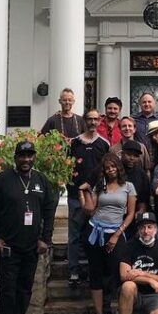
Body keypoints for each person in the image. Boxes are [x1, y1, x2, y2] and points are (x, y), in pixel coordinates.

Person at [0, 140, 58, 314]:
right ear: (15, 158)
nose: (26, 160)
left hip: (31, 247)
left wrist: (45, 238)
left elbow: (49, 211)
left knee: (25, 289)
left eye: (29, 156)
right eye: (22, 156)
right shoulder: (3, 180)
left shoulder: (40, 180)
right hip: (8, 246)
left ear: (34, 158)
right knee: (8, 290)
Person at [79, 154, 136, 314]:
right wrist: (84, 192)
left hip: (115, 233)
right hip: (95, 231)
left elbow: (130, 214)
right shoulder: (100, 186)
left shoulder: (128, 187)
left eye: (113, 167)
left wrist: (117, 235)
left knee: (118, 275)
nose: (110, 170)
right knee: (95, 273)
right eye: (107, 168)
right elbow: (89, 209)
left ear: (118, 167)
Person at [66, 111, 111, 284]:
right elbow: (66, 166)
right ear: (84, 121)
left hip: (98, 198)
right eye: (89, 119)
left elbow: (107, 170)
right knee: (74, 235)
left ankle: (95, 270)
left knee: (96, 234)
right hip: (75, 196)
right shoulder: (74, 143)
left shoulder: (104, 144)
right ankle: (74, 271)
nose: (92, 122)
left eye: (95, 119)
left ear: (99, 121)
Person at [119, 139, 151, 222]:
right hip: (112, 213)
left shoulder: (142, 175)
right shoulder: (114, 169)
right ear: (122, 154)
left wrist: (141, 210)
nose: (132, 158)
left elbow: (143, 199)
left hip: (133, 215)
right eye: (129, 154)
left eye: (136, 156)